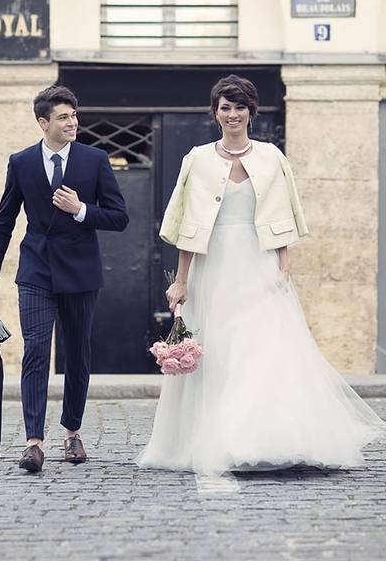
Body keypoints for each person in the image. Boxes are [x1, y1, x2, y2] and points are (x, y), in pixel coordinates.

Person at [137, 75, 386, 476]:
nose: (232, 114)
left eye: (239, 107)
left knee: (261, 349)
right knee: (219, 354)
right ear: (215, 113)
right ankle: (214, 441)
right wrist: (181, 279)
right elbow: (188, 225)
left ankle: (263, 437)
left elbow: (282, 214)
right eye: (225, 107)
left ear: (251, 112)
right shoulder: (197, 159)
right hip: (214, 266)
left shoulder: (272, 156)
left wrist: (283, 265)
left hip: (258, 264)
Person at [0, 85, 129, 472]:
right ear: (43, 122)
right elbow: (5, 219)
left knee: (77, 355)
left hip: (81, 272)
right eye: (64, 117)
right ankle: (33, 442)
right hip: (36, 271)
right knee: (36, 354)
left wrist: (81, 210)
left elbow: (118, 216)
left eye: (75, 115)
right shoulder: (22, 162)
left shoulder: (95, 160)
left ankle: (72, 433)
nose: (72, 122)